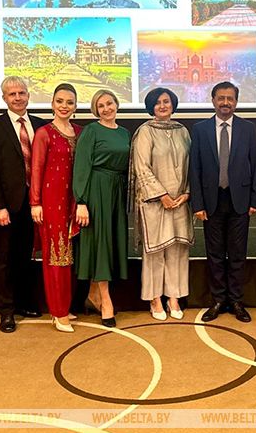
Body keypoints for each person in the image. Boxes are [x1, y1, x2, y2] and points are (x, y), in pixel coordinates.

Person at [190, 81, 256, 323]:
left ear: (236, 102)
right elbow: (195, 169)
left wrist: (255, 200)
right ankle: (218, 300)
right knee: (215, 254)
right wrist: (198, 204)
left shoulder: (248, 129)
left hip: (240, 201)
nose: (225, 103)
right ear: (213, 100)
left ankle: (237, 301)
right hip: (211, 202)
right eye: (221, 98)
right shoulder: (200, 130)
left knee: (238, 254)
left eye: (230, 98)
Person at [0, 76, 46, 333]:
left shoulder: (41, 125)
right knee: (6, 259)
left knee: (27, 257)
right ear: (4, 98)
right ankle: (6, 311)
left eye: (21, 93)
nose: (17, 97)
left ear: (28, 95)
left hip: (36, 204)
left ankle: (25, 302)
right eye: (12, 94)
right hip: (8, 206)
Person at [131, 87, 193, 321]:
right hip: (154, 203)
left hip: (180, 201)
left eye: (166, 101)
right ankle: (155, 298)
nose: (163, 106)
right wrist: (161, 195)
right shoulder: (145, 132)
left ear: (173, 104)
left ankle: (174, 297)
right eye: (157, 103)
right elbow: (141, 167)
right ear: (151, 107)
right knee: (155, 252)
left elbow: (192, 165)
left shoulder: (182, 131)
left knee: (177, 250)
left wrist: (187, 193)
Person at [73, 89, 130, 327]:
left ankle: (93, 294)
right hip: (96, 191)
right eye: (101, 106)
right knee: (101, 245)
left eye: (109, 103)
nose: (106, 108)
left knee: (111, 243)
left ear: (116, 104)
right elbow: (81, 166)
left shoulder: (125, 133)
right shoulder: (91, 131)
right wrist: (81, 201)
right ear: (95, 110)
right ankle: (106, 301)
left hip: (117, 192)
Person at [30, 84, 82, 333]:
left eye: (69, 102)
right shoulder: (44, 133)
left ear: (75, 106)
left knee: (70, 258)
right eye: (60, 101)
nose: (64, 106)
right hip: (52, 203)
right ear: (52, 104)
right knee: (56, 257)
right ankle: (58, 312)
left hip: (75, 202)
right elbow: (36, 169)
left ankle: (66, 306)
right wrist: (35, 203)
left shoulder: (80, 132)